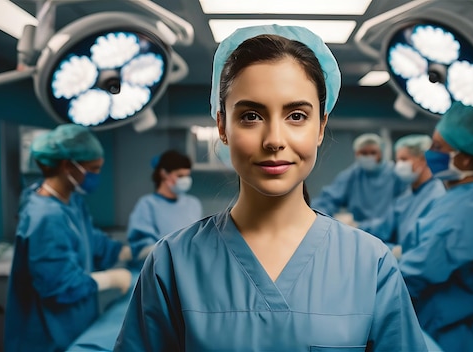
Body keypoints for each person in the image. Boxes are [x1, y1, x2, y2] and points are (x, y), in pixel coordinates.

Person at [114, 25, 426, 351]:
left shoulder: (370, 263)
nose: (274, 140)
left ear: (320, 127)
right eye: (251, 116)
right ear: (222, 126)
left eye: (296, 115)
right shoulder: (172, 263)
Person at [397, 102, 473, 352]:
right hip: (439, 324)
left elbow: (419, 271)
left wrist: (369, 278)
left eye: (438, 147)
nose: (430, 154)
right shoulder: (457, 197)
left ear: (466, 157)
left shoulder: (466, 210)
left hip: (455, 336)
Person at [5, 124, 133, 352]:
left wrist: (126, 251)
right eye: (93, 169)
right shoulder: (45, 217)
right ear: (67, 166)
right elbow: (59, 286)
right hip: (46, 338)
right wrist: (109, 279)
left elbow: (90, 240)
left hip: (75, 326)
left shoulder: (71, 201)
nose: (97, 176)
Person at [360, 134, 445, 245]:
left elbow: (428, 243)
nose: (399, 165)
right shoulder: (407, 195)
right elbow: (384, 227)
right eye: (398, 160)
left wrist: (400, 252)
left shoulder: (437, 196)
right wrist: (356, 227)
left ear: (423, 160)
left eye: (404, 159)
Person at [311, 132, 406, 227]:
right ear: (356, 154)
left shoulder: (395, 175)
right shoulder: (352, 175)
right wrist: (319, 218)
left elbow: (401, 209)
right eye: (364, 153)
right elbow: (327, 200)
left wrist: (362, 226)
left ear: (381, 154)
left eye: (373, 153)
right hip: (359, 233)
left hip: (387, 235)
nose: (369, 157)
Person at [127, 149, 203, 261]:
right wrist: (174, 251)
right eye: (180, 176)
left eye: (187, 176)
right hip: (160, 269)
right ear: (164, 174)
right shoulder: (147, 205)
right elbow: (142, 250)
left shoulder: (193, 204)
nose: (185, 180)